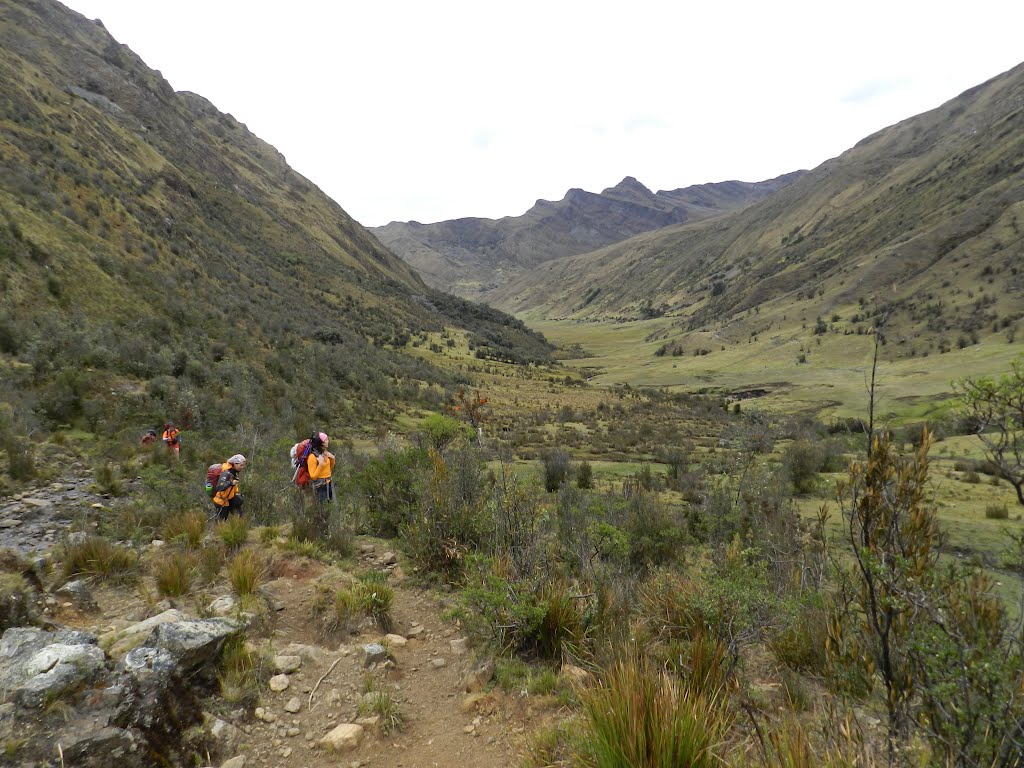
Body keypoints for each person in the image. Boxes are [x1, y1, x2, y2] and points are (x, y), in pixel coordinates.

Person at [212, 454, 246, 520]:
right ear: (235, 464)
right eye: (241, 465)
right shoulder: (226, 473)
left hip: (229, 500)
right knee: (221, 523)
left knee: (240, 518)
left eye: (243, 465)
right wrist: (231, 483)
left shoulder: (234, 472)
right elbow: (219, 487)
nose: (242, 467)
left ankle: (239, 529)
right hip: (221, 502)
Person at [306, 432, 335, 503]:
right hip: (320, 488)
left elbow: (329, 469)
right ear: (321, 443)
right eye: (326, 440)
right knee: (322, 511)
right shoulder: (312, 457)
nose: (328, 441)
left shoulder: (325, 453)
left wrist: (333, 459)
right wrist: (320, 464)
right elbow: (313, 476)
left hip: (329, 484)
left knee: (331, 508)